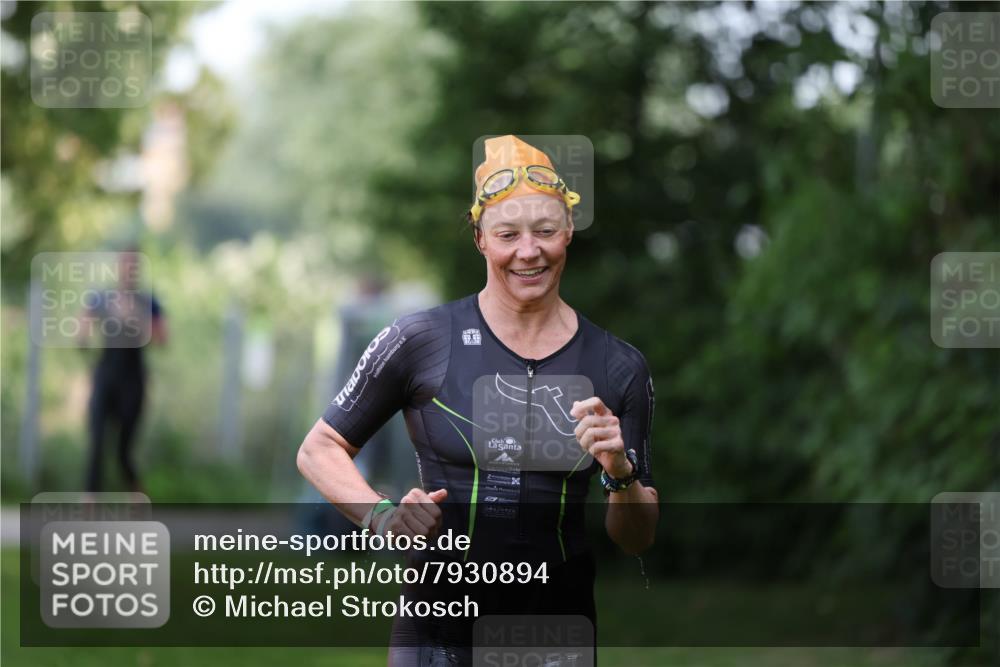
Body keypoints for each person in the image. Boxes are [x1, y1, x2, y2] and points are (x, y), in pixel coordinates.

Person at [297, 135, 658, 665]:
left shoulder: (617, 366)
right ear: (480, 238)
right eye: (507, 233)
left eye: (545, 231)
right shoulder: (420, 340)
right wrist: (383, 517)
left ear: (569, 233)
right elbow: (319, 449)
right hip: (436, 634)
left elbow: (636, 538)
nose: (528, 251)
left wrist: (620, 472)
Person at [81, 249, 167, 494]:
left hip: (133, 380)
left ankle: (137, 493)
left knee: (123, 450)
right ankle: (90, 500)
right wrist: (84, 334)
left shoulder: (148, 302)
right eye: (125, 265)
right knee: (97, 440)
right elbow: (82, 330)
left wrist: (136, 320)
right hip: (106, 375)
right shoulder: (102, 298)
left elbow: (162, 339)